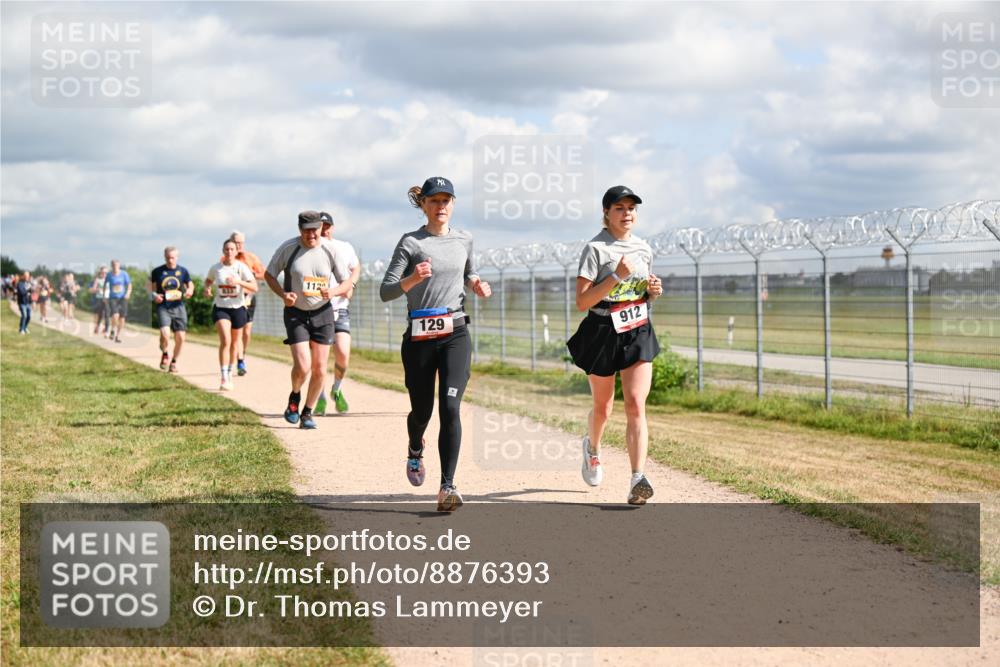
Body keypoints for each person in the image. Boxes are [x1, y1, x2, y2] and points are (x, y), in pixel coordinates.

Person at [380, 177, 492, 512]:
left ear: (453, 204)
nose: (440, 207)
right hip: (419, 337)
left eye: (446, 201)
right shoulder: (411, 242)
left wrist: (477, 285)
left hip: (455, 331)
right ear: (424, 205)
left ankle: (447, 486)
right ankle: (416, 447)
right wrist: (413, 279)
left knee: (451, 406)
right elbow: (386, 290)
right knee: (422, 411)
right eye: (434, 201)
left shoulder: (464, 239)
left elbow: (469, 273)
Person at [567, 186, 664, 505]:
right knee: (604, 407)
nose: (627, 214)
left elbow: (641, 293)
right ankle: (592, 449)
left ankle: (638, 478)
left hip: (637, 328)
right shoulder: (595, 249)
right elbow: (582, 301)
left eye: (632, 208)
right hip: (602, 330)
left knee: (636, 403)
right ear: (606, 213)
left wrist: (652, 291)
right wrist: (615, 278)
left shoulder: (643, 248)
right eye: (620, 208)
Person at [264, 211, 352, 430]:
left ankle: (307, 412)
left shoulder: (331, 250)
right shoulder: (289, 248)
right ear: (299, 230)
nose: (311, 234)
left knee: (320, 369)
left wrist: (332, 292)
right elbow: (269, 274)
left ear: (321, 229)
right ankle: (295, 396)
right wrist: (284, 295)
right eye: (306, 230)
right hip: (296, 313)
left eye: (315, 230)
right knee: (303, 366)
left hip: (323, 312)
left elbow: (346, 282)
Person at [315, 212, 360, 415]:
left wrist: (351, 286)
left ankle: (337, 389)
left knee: (343, 353)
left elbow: (355, 268)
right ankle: (320, 396)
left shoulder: (345, 247)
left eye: (327, 226)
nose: (324, 229)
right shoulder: (311, 249)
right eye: (321, 226)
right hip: (316, 310)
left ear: (332, 227)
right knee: (320, 359)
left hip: (339, 308)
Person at [205, 239, 257, 390]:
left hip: (238, 308)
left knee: (235, 343)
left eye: (232, 249)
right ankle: (224, 377)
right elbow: (208, 281)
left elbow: (254, 287)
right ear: (223, 250)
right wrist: (207, 289)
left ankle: (229, 370)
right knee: (226, 341)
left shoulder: (241, 267)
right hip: (221, 308)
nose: (229, 252)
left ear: (236, 251)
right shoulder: (216, 268)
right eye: (226, 249)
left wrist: (238, 282)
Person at [228, 231, 266, 376]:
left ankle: (242, 353)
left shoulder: (251, 258)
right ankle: (239, 360)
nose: (239, 245)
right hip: (233, 298)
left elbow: (264, 274)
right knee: (237, 332)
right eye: (236, 242)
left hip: (249, 297)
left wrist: (252, 275)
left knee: (247, 332)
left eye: (241, 242)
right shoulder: (226, 258)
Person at [150, 247, 194, 372]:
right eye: (168, 257)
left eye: (173, 257)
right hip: (163, 306)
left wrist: (190, 290)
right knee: (165, 334)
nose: (170, 260)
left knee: (180, 337)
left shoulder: (183, 271)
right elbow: (150, 288)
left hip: (179, 307)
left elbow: (189, 284)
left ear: (177, 257)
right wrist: (154, 296)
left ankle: (174, 361)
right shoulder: (157, 271)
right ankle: (165, 353)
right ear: (164, 257)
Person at [104, 260, 132, 342]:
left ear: (119, 265)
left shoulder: (124, 274)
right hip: (113, 297)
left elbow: (129, 285)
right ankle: (113, 329)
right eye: (113, 265)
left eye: (116, 265)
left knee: (122, 318)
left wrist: (128, 293)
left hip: (123, 298)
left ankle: (118, 335)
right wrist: (104, 296)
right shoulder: (109, 275)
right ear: (111, 266)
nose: (115, 267)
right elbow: (105, 285)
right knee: (115, 315)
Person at [89, 266, 110, 335]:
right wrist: (98, 289)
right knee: (100, 314)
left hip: (107, 299)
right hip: (99, 298)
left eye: (106, 273)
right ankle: (97, 326)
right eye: (103, 272)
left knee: (107, 314)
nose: (104, 274)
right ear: (100, 273)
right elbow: (93, 289)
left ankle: (106, 329)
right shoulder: (98, 280)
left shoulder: (110, 280)